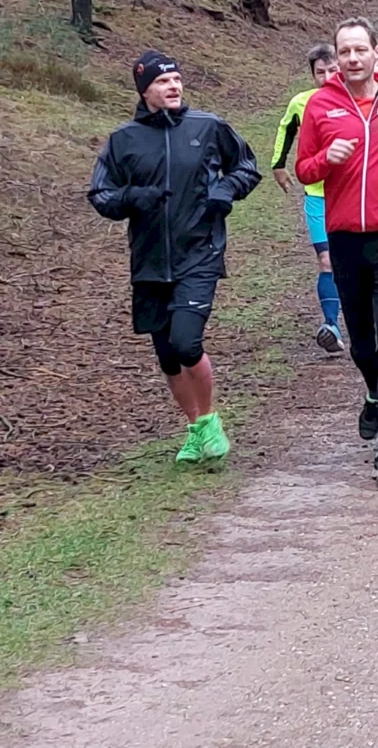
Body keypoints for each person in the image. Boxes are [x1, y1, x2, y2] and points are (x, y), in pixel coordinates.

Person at [88, 50, 261, 463]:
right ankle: (195, 428)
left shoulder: (208, 126)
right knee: (167, 356)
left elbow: (246, 166)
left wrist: (225, 190)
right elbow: (100, 193)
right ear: (145, 90)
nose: (174, 87)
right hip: (149, 261)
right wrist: (133, 198)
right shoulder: (123, 140)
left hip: (199, 252)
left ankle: (210, 421)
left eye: (178, 80)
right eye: (164, 82)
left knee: (186, 342)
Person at [295, 17, 378, 487]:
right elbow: (303, 167)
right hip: (346, 237)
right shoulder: (321, 105)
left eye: (360, 50)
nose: (352, 59)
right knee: (361, 343)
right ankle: (374, 393)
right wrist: (324, 161)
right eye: (344, 52)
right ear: (337, 58)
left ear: (377, 52)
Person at [270, 44, 345, 355]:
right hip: (317, 195)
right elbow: (285, 130)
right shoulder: (302, 102)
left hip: (353, 195)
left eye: (332, 70)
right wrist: (278, 165)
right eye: (320, 72)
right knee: (326, 260)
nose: (327, 77)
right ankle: (331, 325)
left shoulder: (357, 98)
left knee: (357, 262)